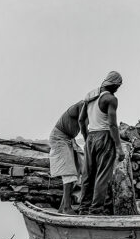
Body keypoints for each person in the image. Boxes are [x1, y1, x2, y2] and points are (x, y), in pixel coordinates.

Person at [78, 71, 124, 215]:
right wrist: (119, 147)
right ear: (115, 85)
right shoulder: (110, 99)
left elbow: (81, 120)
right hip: (105, 136)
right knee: (103, 175)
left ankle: (83, 208)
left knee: (88, 175)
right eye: (118, 86)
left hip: (91, 136)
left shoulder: (90, 97)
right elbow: (112, 125)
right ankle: (96, 210)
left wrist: (86, 138)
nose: (118, 89)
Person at [48, 100, 85, 214]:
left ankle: (61, 208)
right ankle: (67, 208)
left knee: (77, 170)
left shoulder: (92, 110)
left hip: (69, 139)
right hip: (59, 137)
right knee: (68, 172)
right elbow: (83, 125)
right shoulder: (82, 105)